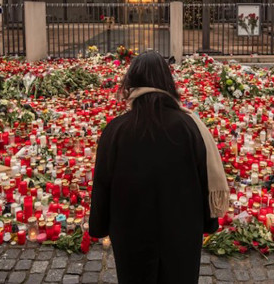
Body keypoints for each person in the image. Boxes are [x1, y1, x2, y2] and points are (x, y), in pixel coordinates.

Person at [89, 52, 228, 284]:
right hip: (181, 231)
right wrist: (208, 222)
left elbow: (103, 183)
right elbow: (205, 177)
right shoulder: (190, 127)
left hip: (131, 232)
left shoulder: (116, 130)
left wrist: (99, 225)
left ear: (131, 83)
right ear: (167, 82)